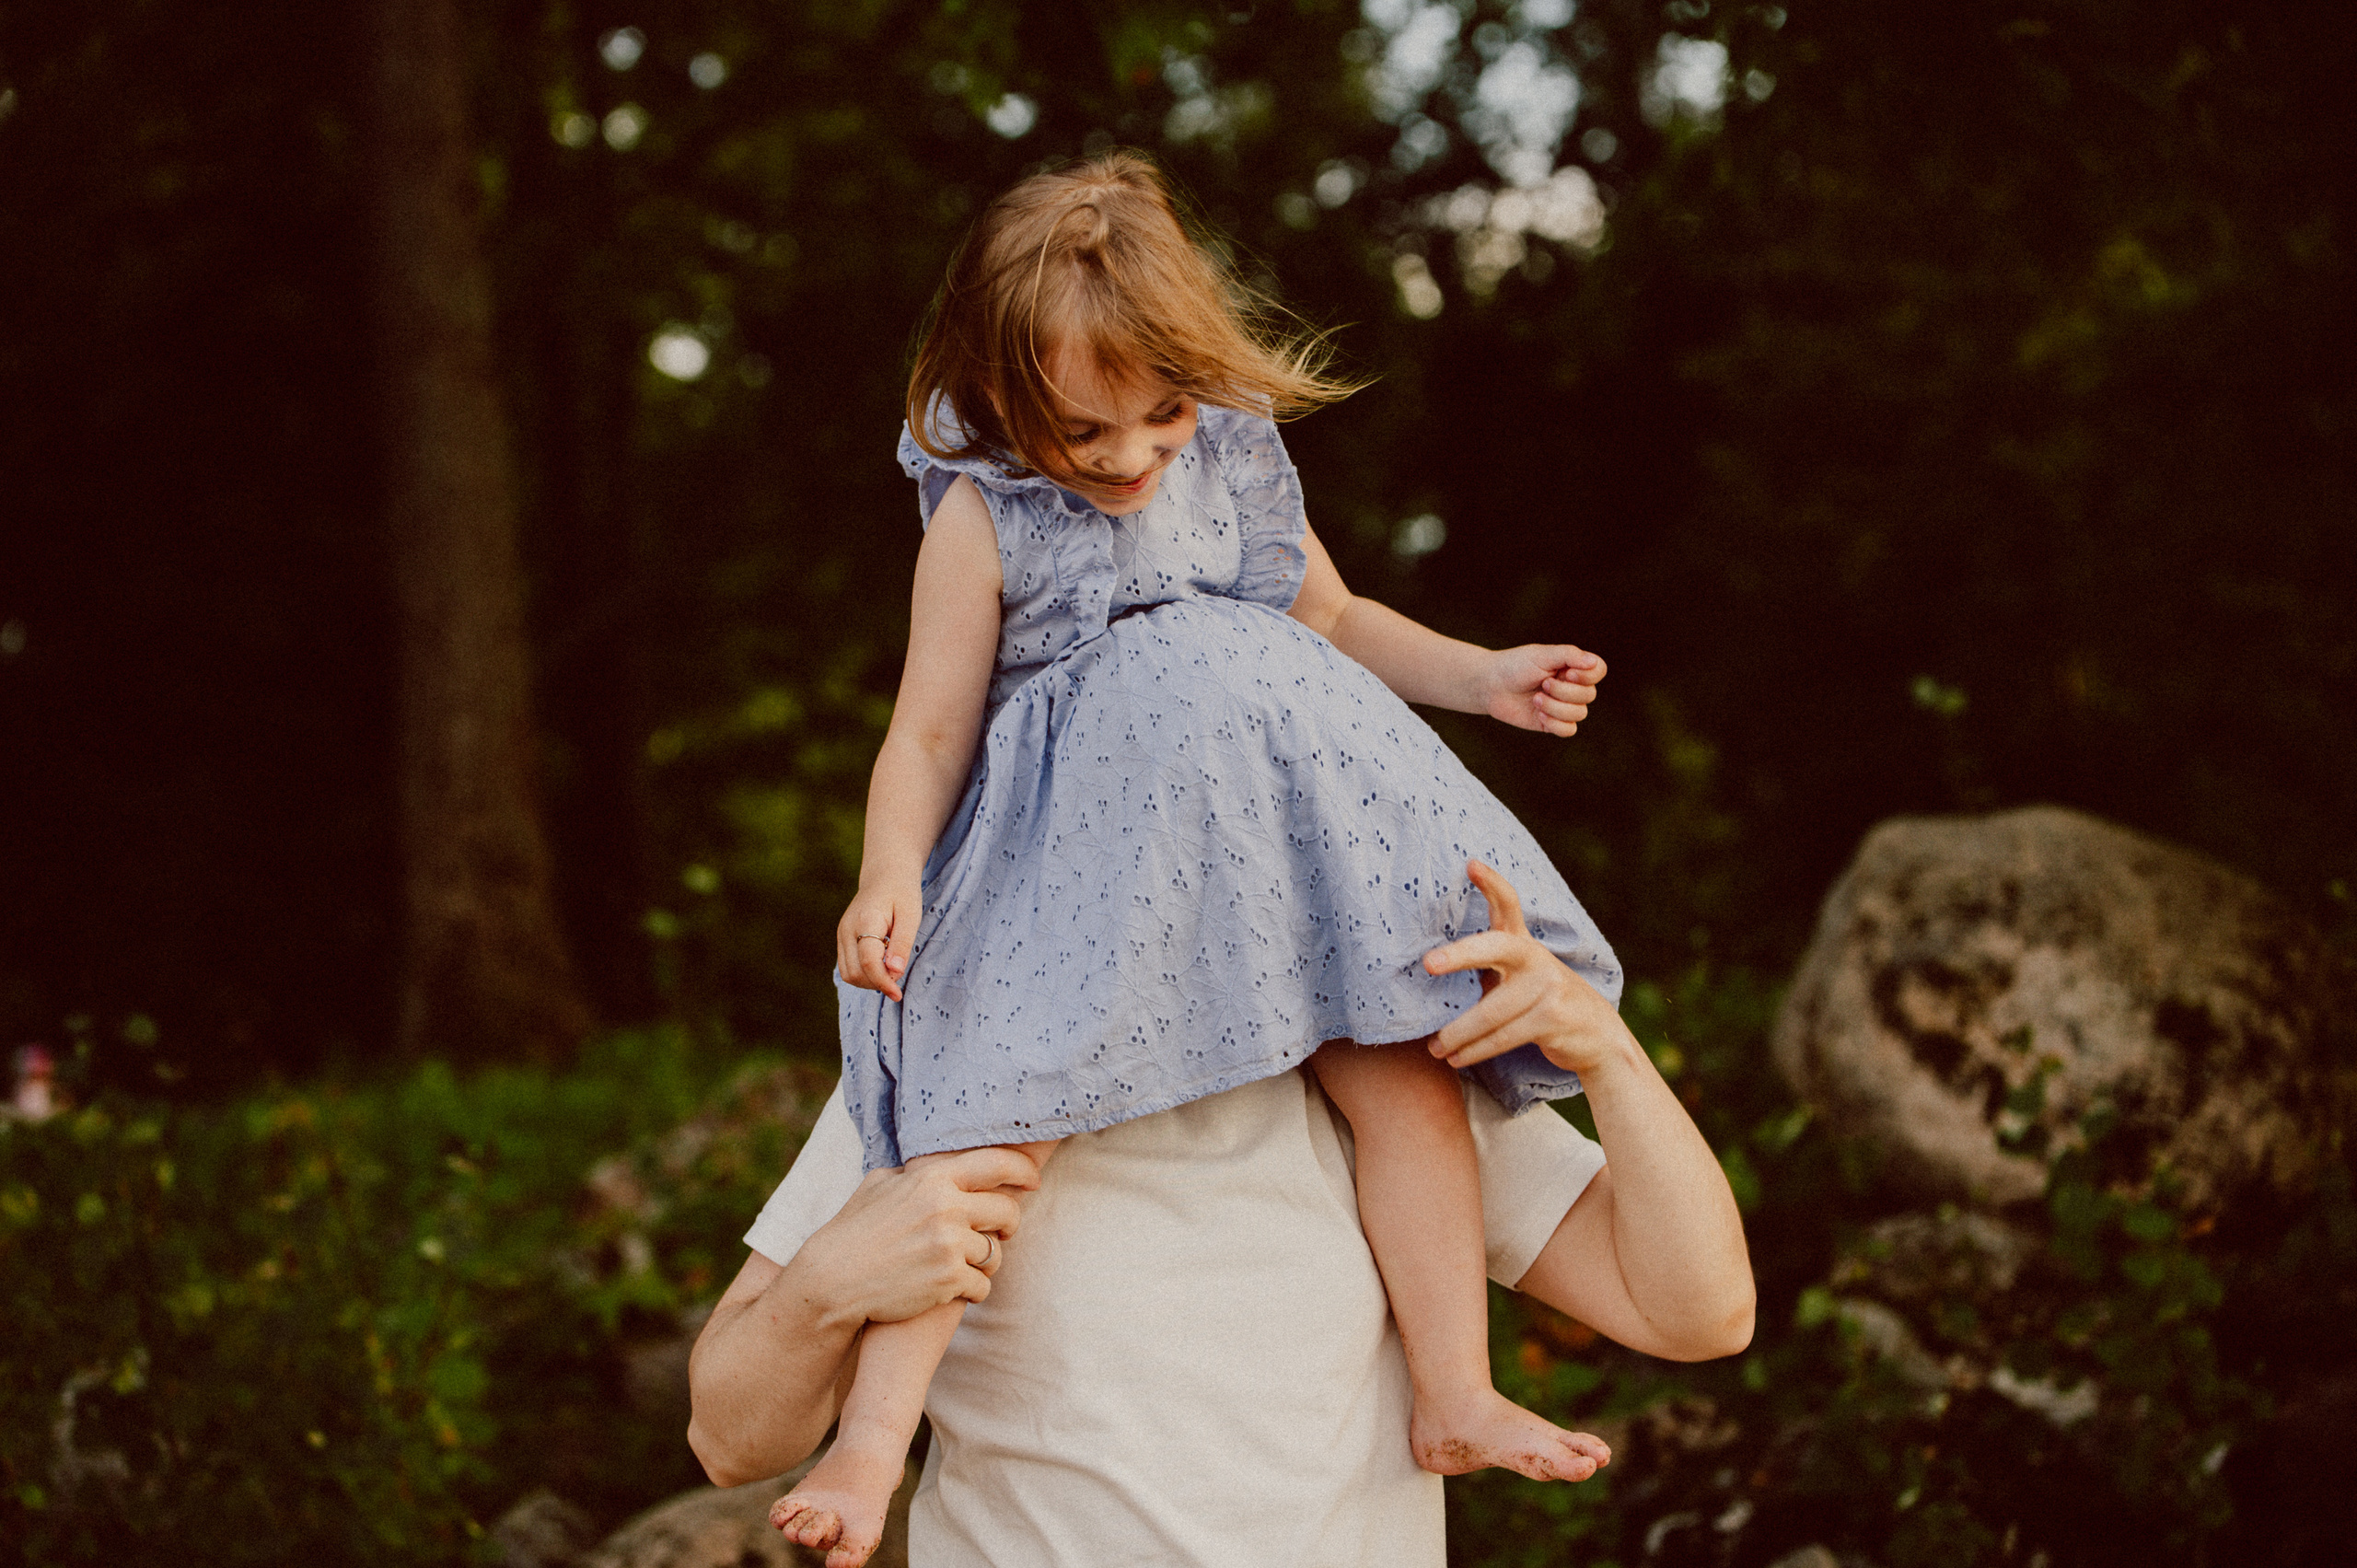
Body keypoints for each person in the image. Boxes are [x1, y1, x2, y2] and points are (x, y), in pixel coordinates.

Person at [772, 148, 1628, 1565]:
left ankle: (1456, 1386)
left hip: (1280, 863)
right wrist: (889, 872)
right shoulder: (988, 518)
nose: (1122, 459)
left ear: (1201, 374)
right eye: (1081, 431)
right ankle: (870, 1452)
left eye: (1155, 418)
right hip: (1081, 881)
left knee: (1405, 1076)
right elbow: (926, 733)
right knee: (984, 1123)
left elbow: (1339, 623)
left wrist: (1482, 677)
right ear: (996, 398)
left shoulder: (1228, 460)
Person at [688, 869, 1754, 1567]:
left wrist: (1605, 1051)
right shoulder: (952, 1063)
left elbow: (1697, 1312)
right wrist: (831, 1281)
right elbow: (729, 1439)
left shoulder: (1396, 1083)